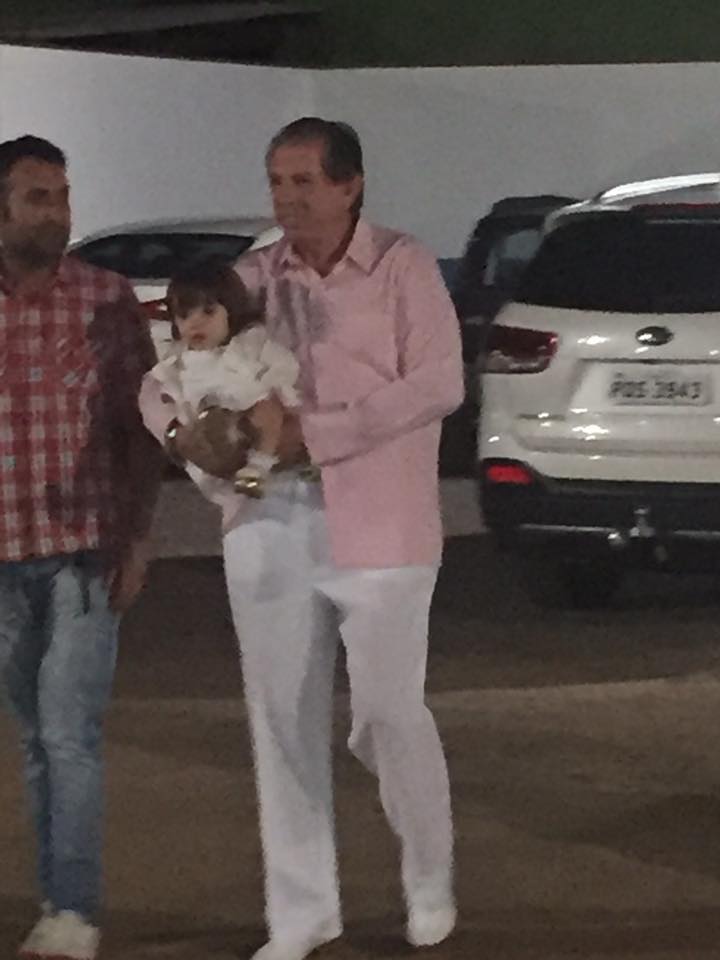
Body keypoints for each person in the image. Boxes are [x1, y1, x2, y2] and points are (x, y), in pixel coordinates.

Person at [139, 117, 464, 960]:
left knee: (388, 713)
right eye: (277, 181)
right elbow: (163, 378)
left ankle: (428, 877)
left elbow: (437, 383)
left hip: (385, 523)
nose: (286, 198)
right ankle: (301, 914)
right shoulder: (250, 277)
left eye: (304, 182)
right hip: (269, 523)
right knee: (281, 718)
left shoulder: (402, 266)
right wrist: (184, 440)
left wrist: (315, 434)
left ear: (350, 185)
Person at [0, 135, 162, 960]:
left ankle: (73, 909)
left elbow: (143, 428)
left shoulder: (105, 298)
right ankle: (55, 901)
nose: (57, 212)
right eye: (38, 197)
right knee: (35, 739)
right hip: (2, 557)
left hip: (83, 553)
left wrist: (137, 537)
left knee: (68, 734)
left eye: (62, 195)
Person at [149, 259, 301, 498]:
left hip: (248, 402)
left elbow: (282, 363)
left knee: (268, 412)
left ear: (231, 310)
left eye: (208, 312)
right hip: (208, 415)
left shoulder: (249, 343)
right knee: (205, 434)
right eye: (184, 316)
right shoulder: (179, 359)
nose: (196, 323)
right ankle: (216, 475)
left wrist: (278, 386)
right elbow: (171, 393)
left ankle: (258, 465)